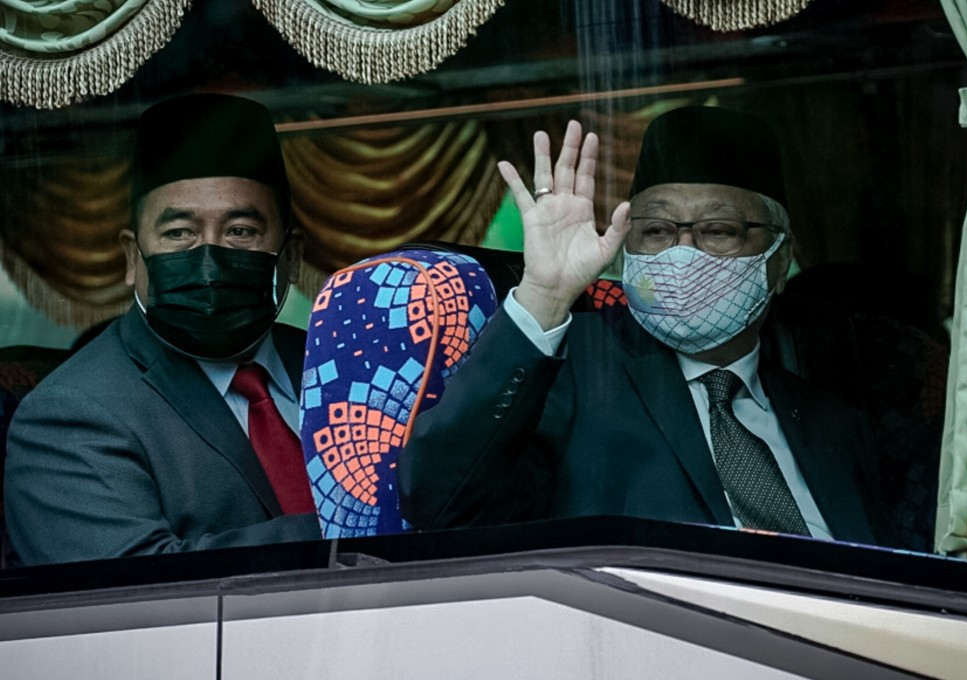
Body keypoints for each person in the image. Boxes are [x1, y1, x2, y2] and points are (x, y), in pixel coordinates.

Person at [398, 107, 885, 545]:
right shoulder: (575, 367)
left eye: (718, 230)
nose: (682, 253)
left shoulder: (832, 422)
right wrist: (544, 296)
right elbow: (440, 501)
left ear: (779, 263)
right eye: (655, 230)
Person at [4, 93, 322, 565]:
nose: (209, 261)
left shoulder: (339, 366)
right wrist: (354, 528)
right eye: (178, 233)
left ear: (291, 256)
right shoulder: (69, 414)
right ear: (132, 258)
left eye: (240, 231)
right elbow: (133, 582)